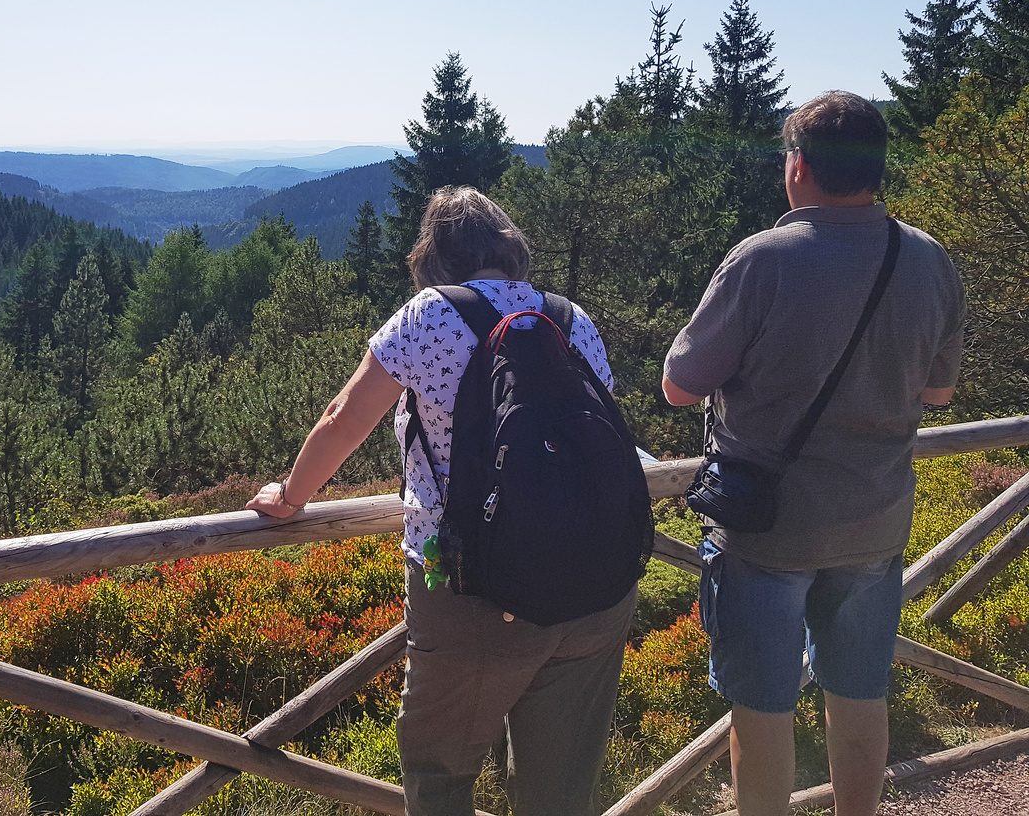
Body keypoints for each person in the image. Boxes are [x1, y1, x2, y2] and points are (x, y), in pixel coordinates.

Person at [248, 186, 634, 816]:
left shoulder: (430, 314)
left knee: (438, 773)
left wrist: (291, 496)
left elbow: (345, 418)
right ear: (509, 248)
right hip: (594, 586)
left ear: (435, 256)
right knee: (561, 793)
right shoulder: (569, 318)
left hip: (472, 589)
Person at [661, 91, 965, 816]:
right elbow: (940, 394)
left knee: (761, 712)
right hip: (876, 526)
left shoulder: (763, 260)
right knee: (859, 698)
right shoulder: (927, 259)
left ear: (797, 165)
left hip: (768, 532)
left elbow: (678, 386)